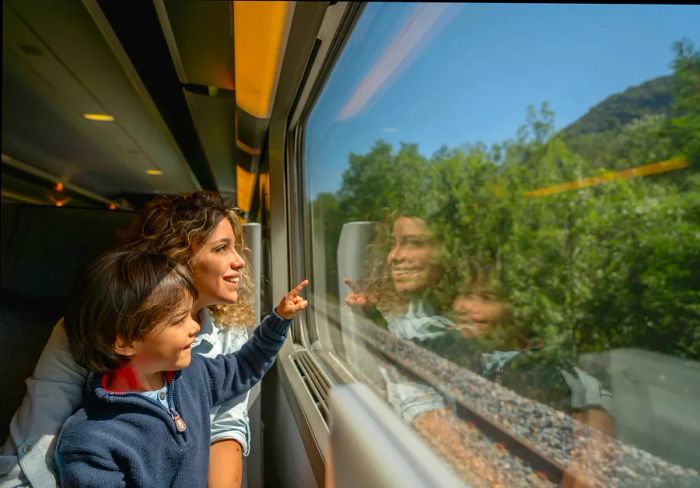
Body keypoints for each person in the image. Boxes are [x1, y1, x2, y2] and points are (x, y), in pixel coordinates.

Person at [0, 191, 261, 487]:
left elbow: (225, 428)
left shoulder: (231, 335)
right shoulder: (92, 328)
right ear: (179, 255)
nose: (240, 261)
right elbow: (35, 448)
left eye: (236, 247)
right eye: (222, 248)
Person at [55, 250, 308, 486]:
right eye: (178, 320)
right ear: (124, 341)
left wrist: (278, 321)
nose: (195, 327)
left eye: (191, 315)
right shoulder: (90, 443)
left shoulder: (194, 376)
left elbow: (243, 366)